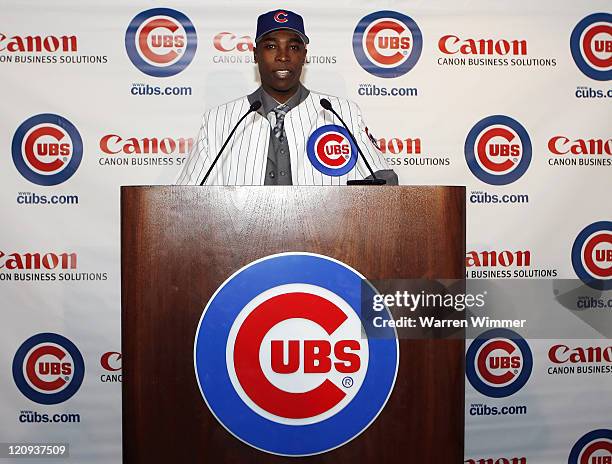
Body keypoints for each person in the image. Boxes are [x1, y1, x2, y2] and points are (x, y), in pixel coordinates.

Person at [176, 9, 398, 186]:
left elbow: (384, 183)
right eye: (271, 46)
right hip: (242, 240)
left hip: (323, 241)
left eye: (293, 46)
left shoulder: (341, 113)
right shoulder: (219, 120)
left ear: (304, 55)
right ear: (255, 54)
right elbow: (186, 197)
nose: (283, 56)